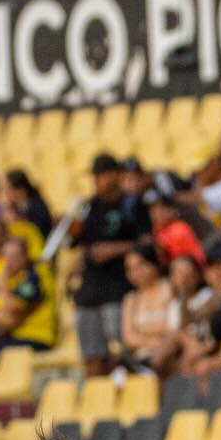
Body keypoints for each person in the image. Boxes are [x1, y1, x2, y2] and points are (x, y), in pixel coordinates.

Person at [73, 153, 150, 373]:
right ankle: (97, 398)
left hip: (119, 286)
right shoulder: (88, 207)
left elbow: (146, 242)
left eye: (102, 175)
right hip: (90, 289)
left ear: (115, 174)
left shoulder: (132, 203)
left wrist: (114, 249)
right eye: (96, 176)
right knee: (92, 354)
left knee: (123, 347)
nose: (98, 180)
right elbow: (80, 243)